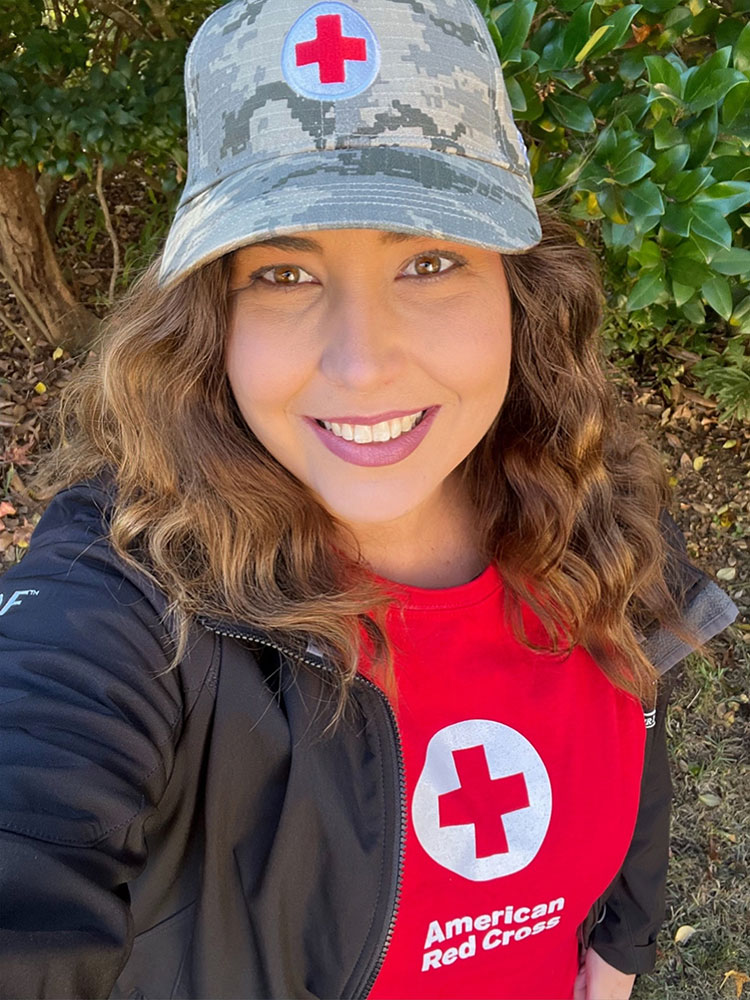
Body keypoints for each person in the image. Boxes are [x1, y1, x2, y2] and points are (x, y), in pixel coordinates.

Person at [0, 1, 739, 998]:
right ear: (209, 319)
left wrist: (619, 955)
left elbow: (635, 743)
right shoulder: (125, 601)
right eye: (283, 272)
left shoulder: (595, 510)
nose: (360, 364)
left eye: (430, 260)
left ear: (523, 293)